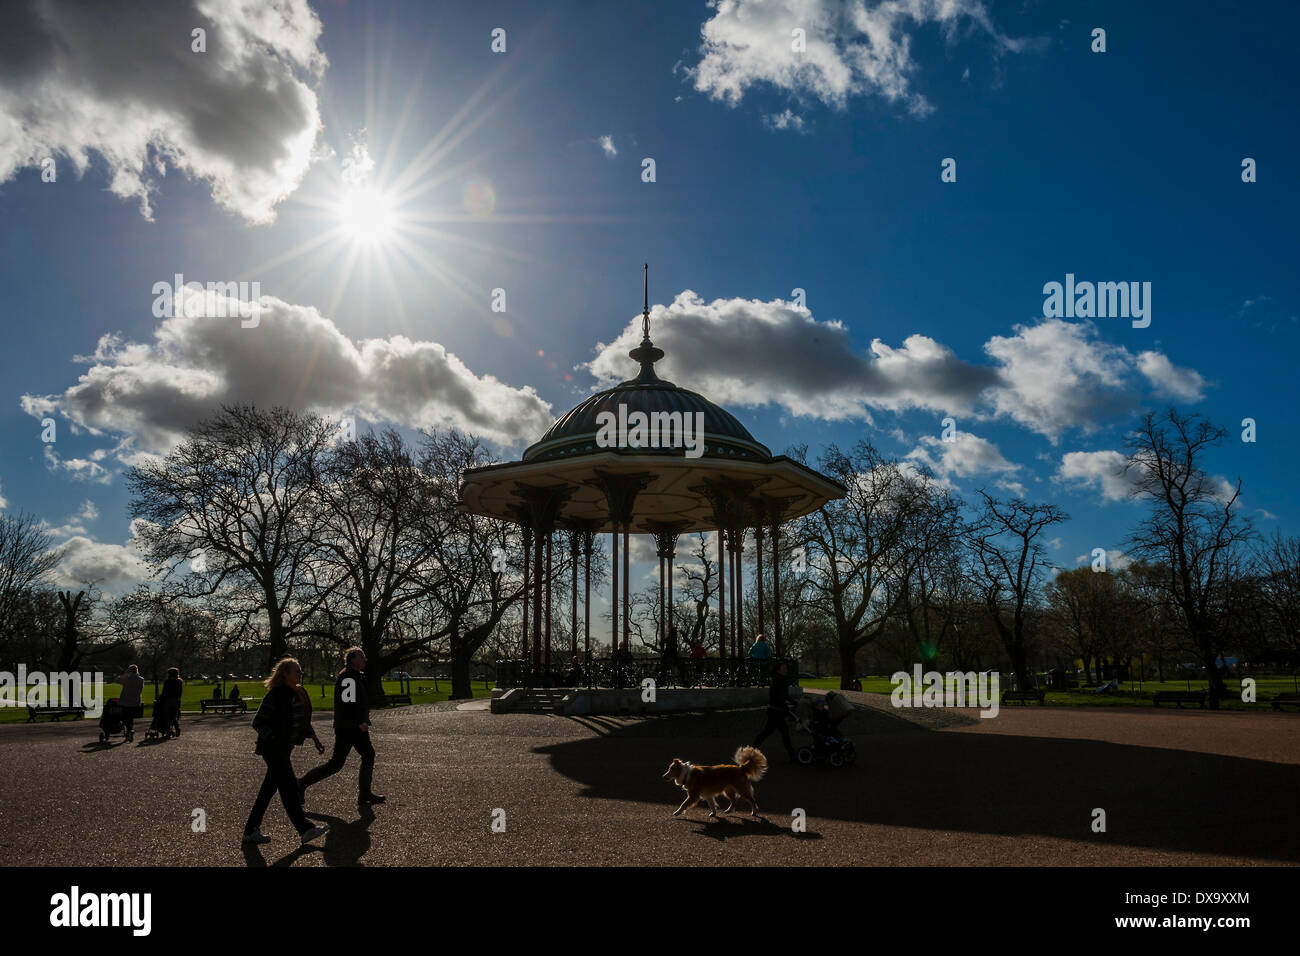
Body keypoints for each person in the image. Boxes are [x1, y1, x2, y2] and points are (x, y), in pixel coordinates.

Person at [242, 657, 329, 846]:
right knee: (289, 788)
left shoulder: (297, 693)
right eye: (297, 671)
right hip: (273, 750)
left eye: (300, 670)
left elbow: (301, 720)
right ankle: (305, 829)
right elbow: (258, 722)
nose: (301, 673)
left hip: (283, 749)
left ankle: (250, 830)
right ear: (285, 674)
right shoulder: (276, 694)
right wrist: (273, 738)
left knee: (268, 790)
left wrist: (313, 737)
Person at [298, 647, 385, 808]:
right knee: (343, 762)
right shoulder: (348, 678)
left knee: (343, 762)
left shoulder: (355, 676)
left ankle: (364, 793)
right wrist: (360, 722)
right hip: (350, 727)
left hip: (351, 726)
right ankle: (301, 783)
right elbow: (348, 704)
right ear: (353, 660)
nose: (365, 659)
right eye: (361, 657)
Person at [752, 661, 798, 762]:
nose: (786, 670)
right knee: (781, 732)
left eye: (786, 668)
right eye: (784, 668)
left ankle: (752, 750)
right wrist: (786, 706)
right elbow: (776, 696)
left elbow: (784, 695)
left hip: (776, 711)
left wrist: (792, 701)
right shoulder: (777, 680)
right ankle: (792, 755)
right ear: (778, 670)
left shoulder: (781, 680)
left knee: (768, 732)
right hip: (775, 711)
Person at [115, 664, 145, 741]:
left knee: (125, 717)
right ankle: (130, 730)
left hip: (126, 701)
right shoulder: (141, 679)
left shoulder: (127, 678)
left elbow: (117, 680)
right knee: (130, 717)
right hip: (136, 701)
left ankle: (129, 730)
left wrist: (124, 674)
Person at [158, 667, 184, 737]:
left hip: (168, 700)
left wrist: (160, 698)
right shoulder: (179, 681)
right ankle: (177, 728)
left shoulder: (167, 681)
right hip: (177, 700)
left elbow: (164, 692)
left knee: (168, 716)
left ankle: (168, 731)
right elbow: (180, 692)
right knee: (174, 716)